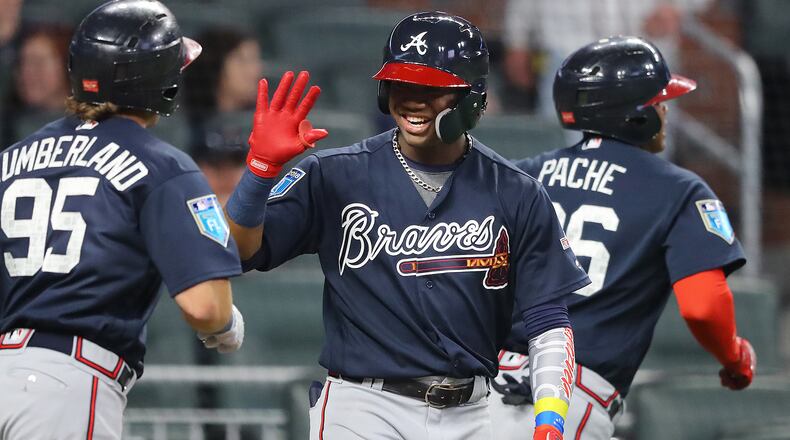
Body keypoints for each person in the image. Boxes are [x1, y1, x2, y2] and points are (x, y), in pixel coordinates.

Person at [225, 11, 590, 440]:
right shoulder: (336, 174)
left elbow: (548, 320)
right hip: (363, 407)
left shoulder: (517, 191)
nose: (413, 100)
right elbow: (238, 252)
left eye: (432, 89)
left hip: (473, 412)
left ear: (473, 97)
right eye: (401, 84)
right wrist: (259, 172)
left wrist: (550, 418)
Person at [488, 36, 754, 440]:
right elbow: (702, 306)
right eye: (657, 101)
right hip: (565, 399)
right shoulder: (678, 188)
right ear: (636, 116)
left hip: (477, 388)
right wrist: (734, 358)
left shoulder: (520, 174)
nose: (665, 109)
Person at [0, 1, 245, 439]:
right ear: (159, 81)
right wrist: (226, 324)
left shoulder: (13, 158)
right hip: (66, 384)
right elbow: (205, 306)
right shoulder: (163, 165)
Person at [500, 0, 710, 115]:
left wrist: (676, 7)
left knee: (643, 156)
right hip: (566, 50)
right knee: (565, 157)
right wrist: (517, 39)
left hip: (643, 52)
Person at [1, 24, 73, 146]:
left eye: (37, 62)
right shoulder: (7, 127)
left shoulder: (93, 124)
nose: (26, 72)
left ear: (66, 64)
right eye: (22, 63)